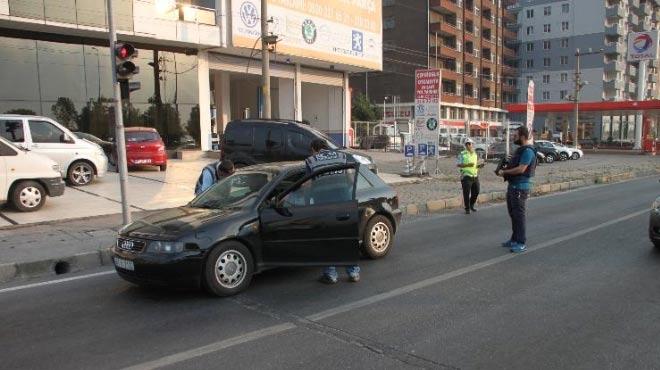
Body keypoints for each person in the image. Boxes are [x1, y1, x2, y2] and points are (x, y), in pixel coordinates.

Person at [306, 139, 361, 284]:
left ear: (314, 149)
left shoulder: (311, 161)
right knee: (345, 237)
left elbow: (307, 184)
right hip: (344, 203)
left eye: (311, 150)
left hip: (324, 206)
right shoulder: (341, 156)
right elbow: (350, 178)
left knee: (328, 239)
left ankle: (331, 274)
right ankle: (353, 273)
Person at [496, 126, 537, 253]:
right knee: (513, 215)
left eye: (515, 135)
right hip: (512, 187)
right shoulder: (520, 150)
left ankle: (521, 242)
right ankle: (514, 239)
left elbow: (521, 169)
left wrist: (505, 172)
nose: (513, 137)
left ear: (522, 137)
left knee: (519, 216)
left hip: (520, 188)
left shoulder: (528, 151)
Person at [456, 138, 484, 214]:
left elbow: (476, 165)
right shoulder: (462, 154)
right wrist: (467, 165)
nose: (471, 145)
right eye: (469, 144)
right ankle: (467, 208)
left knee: (476, 191)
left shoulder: (475, 154)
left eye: (471, 144)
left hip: (475, 176)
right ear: (466, 145)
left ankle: (471, 205)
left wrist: (480, 166)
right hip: (466, 176)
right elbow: (458, 164)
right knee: (466, 193)